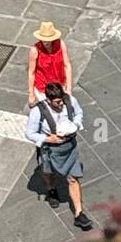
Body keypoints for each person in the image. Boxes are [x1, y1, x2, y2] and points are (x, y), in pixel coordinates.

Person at [25, 82, 93, 231]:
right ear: (48, 99)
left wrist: (75, 124)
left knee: (73, 178)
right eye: (57, 101)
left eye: (61, 99)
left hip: (70, 146)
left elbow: (79, 112)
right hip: (50, 148)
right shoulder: (38, 111)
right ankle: (51, 190)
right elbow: (29, 133)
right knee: (48, 171)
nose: (61, 103)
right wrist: (48, 139)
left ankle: (79, 214)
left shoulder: (69, 100)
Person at [28, 22, 72, 108]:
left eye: (48, 39)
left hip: (59, 85)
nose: (46, 42)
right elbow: (31, 72)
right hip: (43, 87)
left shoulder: (60, 44)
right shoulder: (35, 50)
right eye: (43, 39)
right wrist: (31, 94)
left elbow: (67, 65)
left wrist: (69, 88)